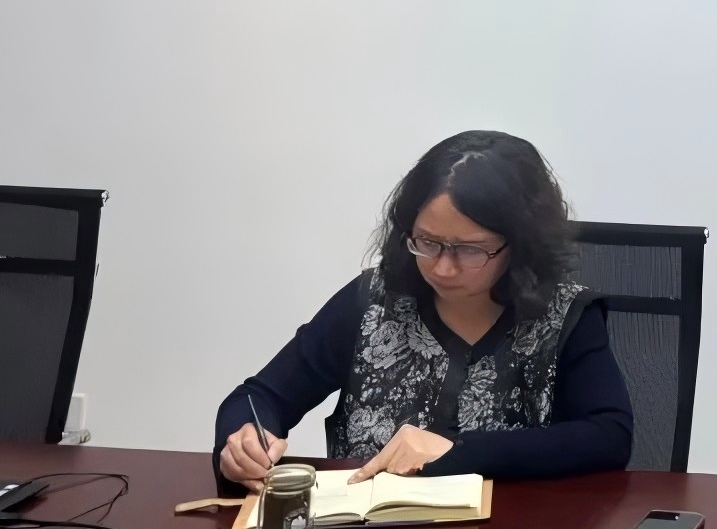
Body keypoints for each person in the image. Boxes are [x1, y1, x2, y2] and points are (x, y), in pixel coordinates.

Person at [213, 130, 633, 492]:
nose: (442, 268)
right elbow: (260, 396)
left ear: (520, 245)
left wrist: (458, 451)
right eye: (428, 242)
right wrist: (243, 443)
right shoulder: (372, 302)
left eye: (469, 250)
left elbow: (609, 436)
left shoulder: (563, 315)